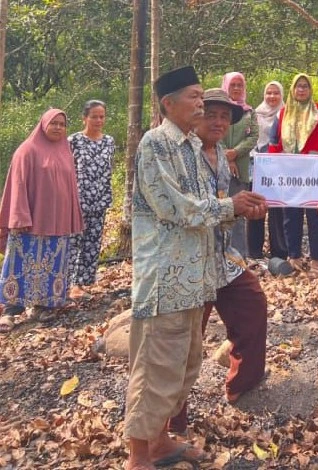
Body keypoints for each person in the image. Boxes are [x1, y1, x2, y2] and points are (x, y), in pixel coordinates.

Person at [124, 66, 266, 470]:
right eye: (194, 96)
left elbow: (210, 207)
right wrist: (229, 206)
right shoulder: (156, 143)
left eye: (202, 95)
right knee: (155, 367)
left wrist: (240, 208)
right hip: (165, 279)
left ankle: (161, 443)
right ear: (168, 104)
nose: (201, 103)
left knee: (182, 365)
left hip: (196, 277)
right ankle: (138, 457)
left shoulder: (191, 145)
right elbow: (176, 208)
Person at [169, 88, 268, 435]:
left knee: (252, 304)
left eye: (225, 116)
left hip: (222, 258)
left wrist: (245, 210)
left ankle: (243, 382)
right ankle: (171, 423)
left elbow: (224, 209)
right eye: (211, 114)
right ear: (196, 115)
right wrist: (230, 208)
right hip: (190, 262)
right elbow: (184, 211)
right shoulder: (182, 156)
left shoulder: (221, 157)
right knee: (185, 341)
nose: (218, 122)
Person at [0, 109, 83, 333]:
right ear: (43, 124)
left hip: (57, 221)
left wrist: (71, 216)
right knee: (20, 264)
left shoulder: (65, 151)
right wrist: (20, 215)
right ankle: (10, 311)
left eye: (62, 124)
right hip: (30, 221)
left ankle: (43, 306)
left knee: (52, 264)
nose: (58, 127)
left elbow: (70, 187)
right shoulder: (27, 150)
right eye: (53, 123)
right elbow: (17, 185)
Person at [269, 73, 318, 273]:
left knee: (317, 215)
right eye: (298, 86)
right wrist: (274, 172)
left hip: (316, 175)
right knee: (291, 216)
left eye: (305, 86)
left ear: (310, 89)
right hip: (289, 174)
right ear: (292, 89)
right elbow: (274, 145)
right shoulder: (282, 114)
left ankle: (317, 259)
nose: (301, 90)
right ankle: (294, 257)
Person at [68, 100, 116, 299]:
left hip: (100, 200)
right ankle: (68, 285)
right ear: (84, 118)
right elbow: (67, 170)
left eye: (101, 117)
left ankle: (82, 284)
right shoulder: (74, 141)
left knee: (92, 243)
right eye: (94, 116)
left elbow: (109, 169)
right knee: (73, 242)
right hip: (77, 201)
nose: (98, 120)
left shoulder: (109, 141)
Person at [221, 72, 259, 258]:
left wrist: (235, 153)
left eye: (240, 85)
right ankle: (220, 255)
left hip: (241, 169)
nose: (236, 88)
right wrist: (226, 157)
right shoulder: (219, 109)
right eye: (233, 85)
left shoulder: (249, 112)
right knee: (219, 210)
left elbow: (254, 136)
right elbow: (211, 132)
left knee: (239, 212)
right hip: (217, 166)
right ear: (226, 86)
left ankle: (239, 258)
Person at [249, 81, 287, 260]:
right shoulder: (255, 114)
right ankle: (254, 251)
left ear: (282, 95)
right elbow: (250, 138)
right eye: (269, 93)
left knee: (277, 210)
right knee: (256, 207)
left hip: (280, 166)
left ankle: (279, 251)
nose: (272, 96)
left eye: (276, 93)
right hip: (258, 165)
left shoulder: (286, 114)